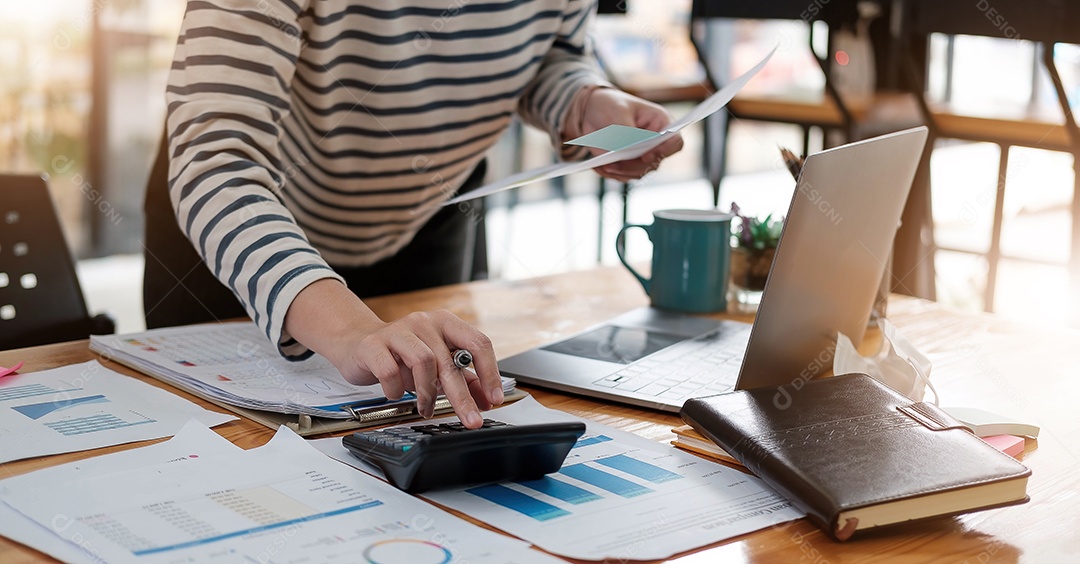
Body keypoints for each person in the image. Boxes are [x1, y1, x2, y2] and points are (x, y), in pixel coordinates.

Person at [144, 0, 683, 429]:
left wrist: (584, 102)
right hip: (242, 230)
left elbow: (548, 52)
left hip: (427, 210)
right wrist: (350, 328)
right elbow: (217, 162)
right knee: (212, 444)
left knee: (410, 432)